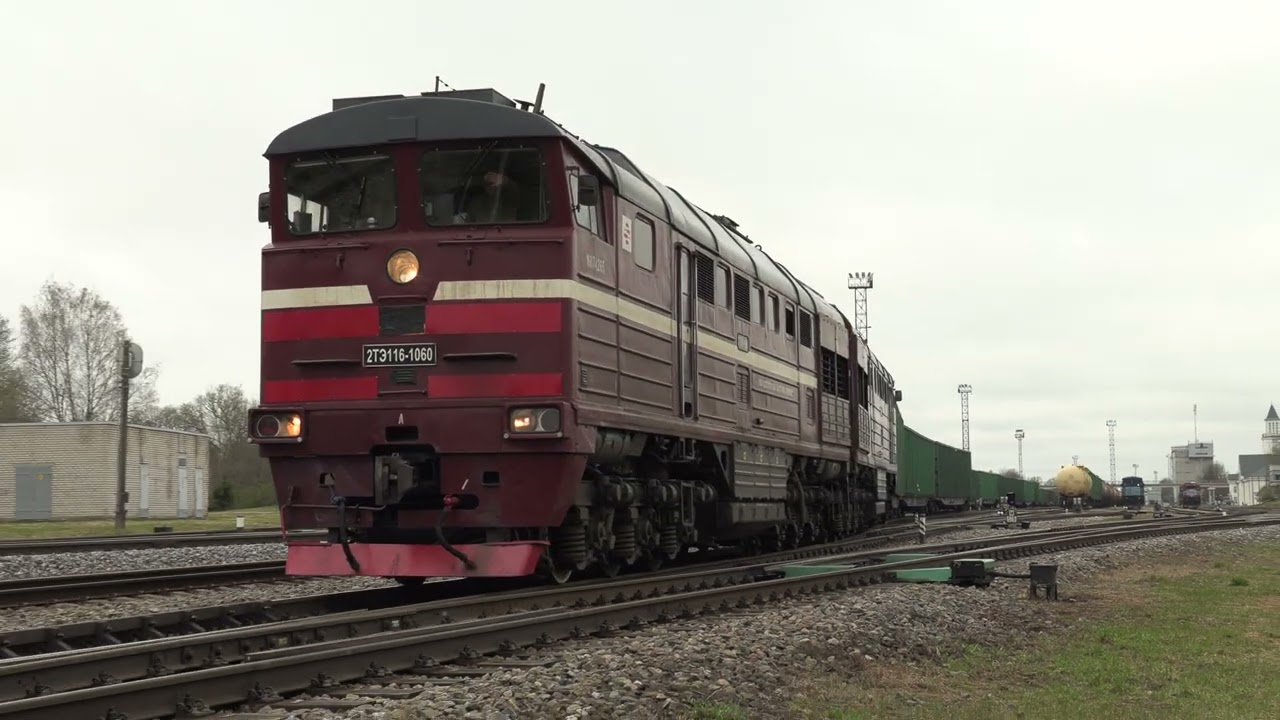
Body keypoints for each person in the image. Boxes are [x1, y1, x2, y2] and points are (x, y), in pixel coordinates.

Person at [455, 171, 521, 223]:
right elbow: (468, 225)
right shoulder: (477, 202)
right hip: (482, 234)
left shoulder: (510, 197)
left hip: (506, 234)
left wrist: (504, 180)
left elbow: (514, 189)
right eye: (488, 184)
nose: (492, 186)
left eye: (494, 183)